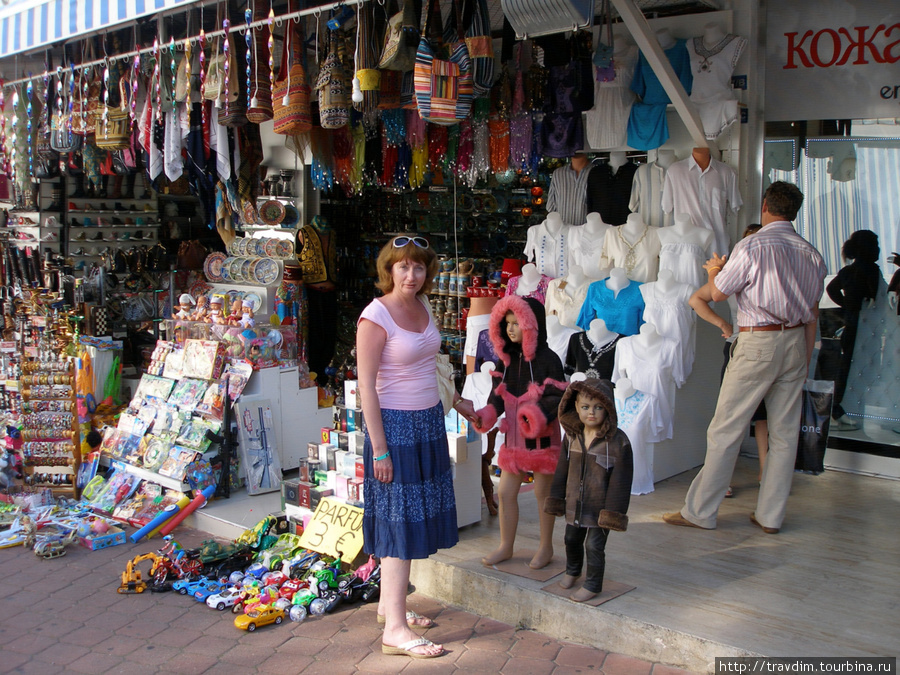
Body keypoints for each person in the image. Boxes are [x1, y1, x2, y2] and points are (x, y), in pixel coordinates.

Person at [663, 181, 826, 535]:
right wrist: (807, 357)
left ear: (765, 205)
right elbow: (813, 313)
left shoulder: (752, 245)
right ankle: (770, 516)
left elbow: (719, 293)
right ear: (794, 212)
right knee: (784, 433)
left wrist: (715, 272)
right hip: (796, 341)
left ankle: (701, 511)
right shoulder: (812, 253)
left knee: (727, 427)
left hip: (758, 341)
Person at [356, 235, 477, 660]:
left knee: (410, 519)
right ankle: (395, 630)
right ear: (389, 269)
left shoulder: (424, 306)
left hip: (427, 423)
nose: (412, 275)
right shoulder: (376, 316)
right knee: (399, 523)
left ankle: (393, 608)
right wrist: (381, 449)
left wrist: (460, 403)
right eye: (403, 266)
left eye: (419, 267)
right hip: (394, 428)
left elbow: (434, 365)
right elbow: (366, 389)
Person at [473, 295, 568, 570]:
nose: (511, 329)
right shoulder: (506, 361)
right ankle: (506, 545)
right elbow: (498, 397)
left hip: (542, 440)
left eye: (517, 323)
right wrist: (487, 414)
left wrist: (538, 415)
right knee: (504, 493)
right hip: (514, 440)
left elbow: (556, 398)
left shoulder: (550, 360)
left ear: (533, 325)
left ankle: (546, 546)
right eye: (508, 323)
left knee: (542, 494)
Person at [688, 223, 768, 490]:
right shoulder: (733, 274)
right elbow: (697, 299)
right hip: (740, 346)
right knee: (733, 415)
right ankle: (726, 478)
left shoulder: (758, 272)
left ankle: (762, 472)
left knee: (759, 415)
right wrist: (723, 324)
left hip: (754, 345)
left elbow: (701, 298)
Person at [544, 378, 633, 602]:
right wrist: (557, 497)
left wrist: (613, 512)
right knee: (571, 538)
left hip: (599, 508)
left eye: (598, 407)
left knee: (593, 545)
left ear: (608, 408)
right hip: (575, 503)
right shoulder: (572, 436)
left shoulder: (618, 442)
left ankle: (593, 584)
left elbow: (621, 481)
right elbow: (562, 470)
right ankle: (572, 571)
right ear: (575, 407)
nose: (591, 413)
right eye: (585, 407)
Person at [826, 230, 881, 431]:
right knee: (859, 370)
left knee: (847, 369)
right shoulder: (871, 271)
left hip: (851, 325)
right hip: (866, 329)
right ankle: (841, 409)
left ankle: (838, 409)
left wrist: (847, 306)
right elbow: (877, 299)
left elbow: (831, 289)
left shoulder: (848, 271)